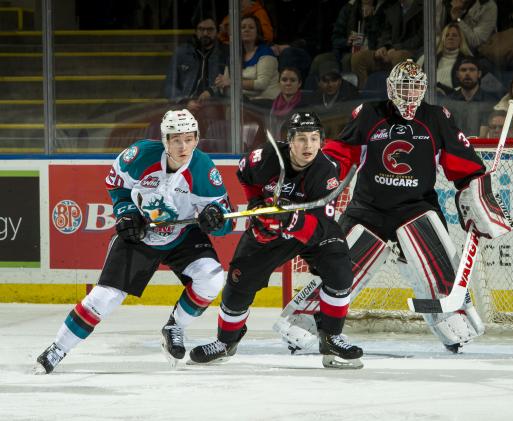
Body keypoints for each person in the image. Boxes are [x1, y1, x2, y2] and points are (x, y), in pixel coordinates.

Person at [321, 59, 512, 352]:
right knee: (338, 269)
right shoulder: (370, 113)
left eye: (415, 89)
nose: (409, 95)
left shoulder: (436, 117)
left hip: (416, 207)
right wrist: (323, 173)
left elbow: (465, 166)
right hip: (368, 208)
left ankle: (453, 324)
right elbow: (342, 152)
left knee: (440, 269)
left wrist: (476, 195)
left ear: (423, 89)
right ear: (390, 88)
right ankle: (311, 323)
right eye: (403, 88)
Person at [34, 109, 234, 374]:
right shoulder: (139, 156)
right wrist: (126, 213)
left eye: (189, 138)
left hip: (182, 236)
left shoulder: (204, 170)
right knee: (104, 298)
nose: (183, 146)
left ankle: (175, 326)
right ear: (165, 140)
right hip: (140, 235)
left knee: (212, 278)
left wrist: (216, 221)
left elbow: (227, 221)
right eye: (176, 139)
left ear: (197, 139)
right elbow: (116, 184)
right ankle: (58, 348)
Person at [188, 112, 364, 369]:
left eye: (314, 139)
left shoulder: (326, 171)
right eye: (302, 139)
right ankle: (226, 342)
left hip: (311, 230)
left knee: (340, 270)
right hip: (270, 232)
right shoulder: (265, 157)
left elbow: (319, 227)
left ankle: (332, 339)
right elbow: (244, 174)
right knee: (238, 281)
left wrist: (287, 222)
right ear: (289, 141)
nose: (308, 146)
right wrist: (257, 203)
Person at [350, 0, 424, 89]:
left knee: (398, 56)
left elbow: (419, 39)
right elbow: (385, 33)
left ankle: (396, 98)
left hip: (411, 51)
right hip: (390, 50)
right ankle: (365, 95)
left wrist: (395, 48)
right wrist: (382, 47)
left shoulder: (423, 7)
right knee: (358, 58)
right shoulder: (392, 8)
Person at [164, 15, 228, 108]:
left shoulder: (225, 53)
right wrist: (185, 102)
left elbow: (231, 82)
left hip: (215, 105)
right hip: (185, 105)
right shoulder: (182, 53)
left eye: (210, 29)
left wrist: (212, 92)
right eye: (201, 29)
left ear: (217, 31)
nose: (205, 33)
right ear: (195, 31)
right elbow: (169, 86)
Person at [214, 15, 280, 102]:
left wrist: (232, 82)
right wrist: (220, 83)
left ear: (258, 32)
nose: (246, 30)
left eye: (251, 27)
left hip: (266, 104)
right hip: (243, 104)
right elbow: (226, 83)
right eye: (243, 27)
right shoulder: (234, 56)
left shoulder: (266, 52)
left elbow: (261, 84)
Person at [443, 56, 498, 136]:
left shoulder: (490, 102)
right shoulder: (449, 102)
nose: (467, 73)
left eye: (472, 70)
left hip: (481, 147)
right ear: (457, 74)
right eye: (463, 70)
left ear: (479, 74)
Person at [417, 22, 473, 95]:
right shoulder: (426, 58)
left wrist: (443, 90)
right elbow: (413, 80)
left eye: (454, 35)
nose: (450, 37)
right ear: (443, 39)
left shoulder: (469, 62)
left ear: (461, 39)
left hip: (452, 100)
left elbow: (467, 90)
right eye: (447, 35)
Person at [269, 67, 310, 138]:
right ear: (279, 83)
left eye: (292, 80)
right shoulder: (271, 105)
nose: (288, 83)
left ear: (299, 84)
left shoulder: (306, 106)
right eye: (284, 80)